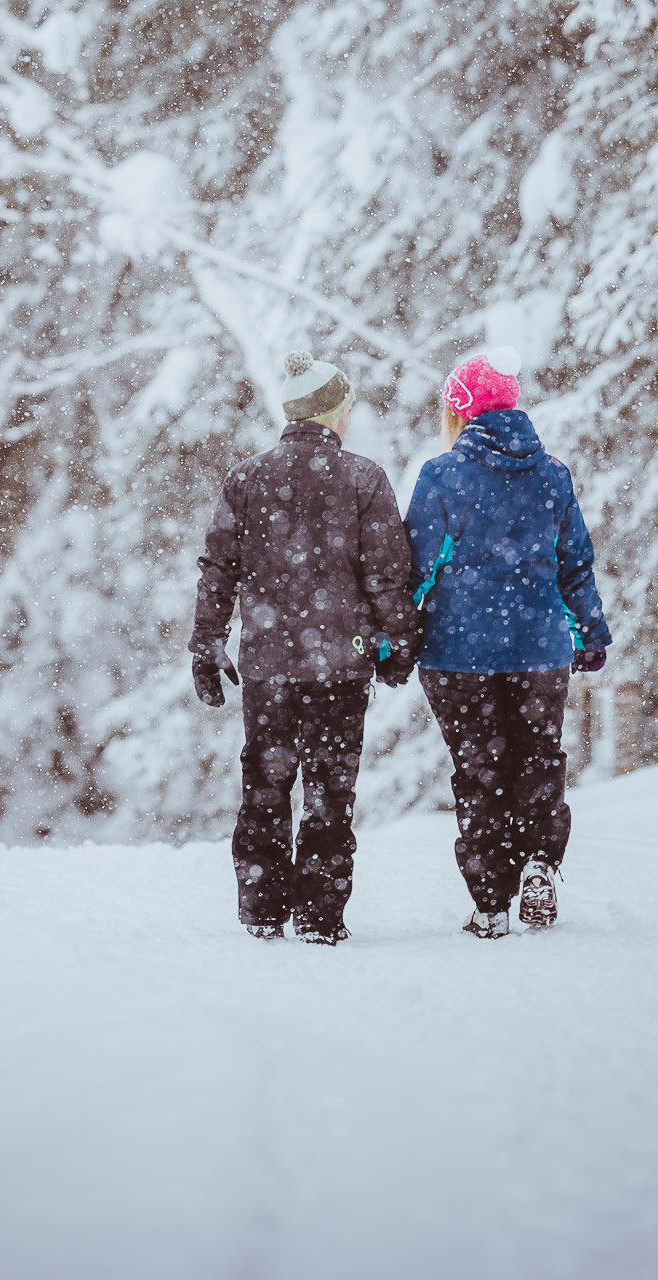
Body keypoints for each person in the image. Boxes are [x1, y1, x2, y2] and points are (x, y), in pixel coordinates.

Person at [190, 350, 418, 944]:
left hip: (268, 665)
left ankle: (263, 908)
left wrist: (208, 641)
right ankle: (320, 914)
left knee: (265, 783)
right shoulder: (363, 478)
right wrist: (399, 643)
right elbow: (387, 574)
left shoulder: (247, 478)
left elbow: (219, 568)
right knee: (329, 789)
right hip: (343, 664)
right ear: (334, 411)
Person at [405, 347, 611, 939]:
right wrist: (589, 630)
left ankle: (490, 902)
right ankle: (541, 863)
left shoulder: (442, 475)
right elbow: (575, 564)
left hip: (459, 652)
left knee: (479, 771)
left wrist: (397, 638)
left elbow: (414, 567)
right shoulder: (552, 473)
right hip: (541, 647)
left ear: (460, 410)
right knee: (540, 757)